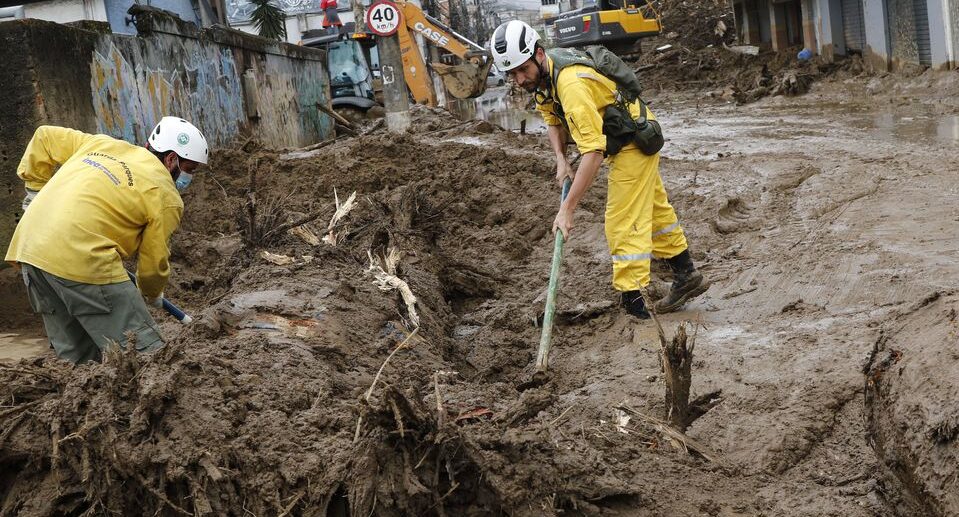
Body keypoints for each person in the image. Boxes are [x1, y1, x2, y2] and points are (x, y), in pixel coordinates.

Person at [489, 21, 709, 319]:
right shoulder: (543, 78)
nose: (519, 79)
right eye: (512, 74)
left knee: (622, 221)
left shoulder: (570, 85)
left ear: (539, 54)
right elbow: (552, 120)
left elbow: (592, 153)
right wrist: (560, 159)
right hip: (621, 134)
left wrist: (567, 209)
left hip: (633, 140)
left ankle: (636, 304)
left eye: (522, 70)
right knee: (656, 212)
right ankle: (686, 275)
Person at [4, 117, 209, 363]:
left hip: (30, 250)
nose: (188, 177)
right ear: (171, 159)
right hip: (85, 260)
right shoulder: (166, 195)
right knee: (147, 357)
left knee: (77, 361)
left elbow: (44, 137)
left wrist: (35, 192)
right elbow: (153, 262)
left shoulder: (101, 144)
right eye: (189, 169)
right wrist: (152, 293)